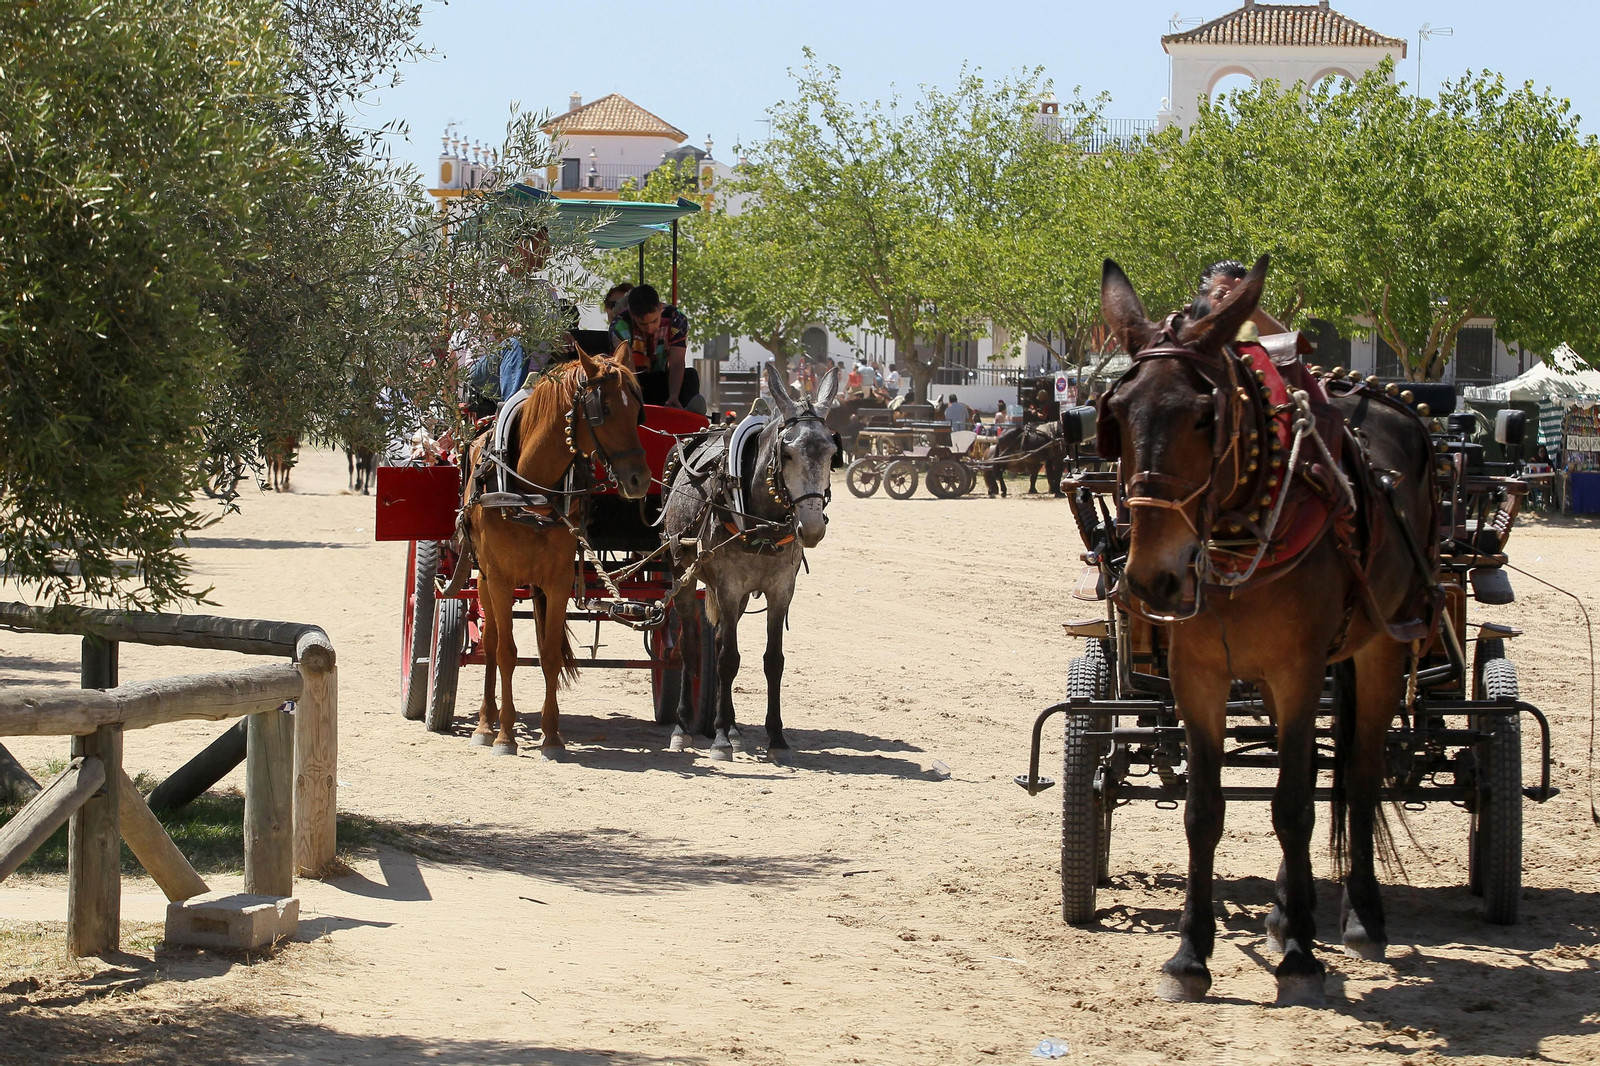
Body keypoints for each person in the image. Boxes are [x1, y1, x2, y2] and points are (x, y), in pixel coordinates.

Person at [611, 284, 701, 410]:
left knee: (690, 375)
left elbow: (677, 363)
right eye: (642, 324)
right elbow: (627, 368)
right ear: (632, 314)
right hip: (633, 381)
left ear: (660, 308)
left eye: (654, 321)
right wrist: (639, 401)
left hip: (661, 378)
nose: (649, 329)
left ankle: (688, 413)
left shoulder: (677, 319)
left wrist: (674, 395)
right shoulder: (620, 325)